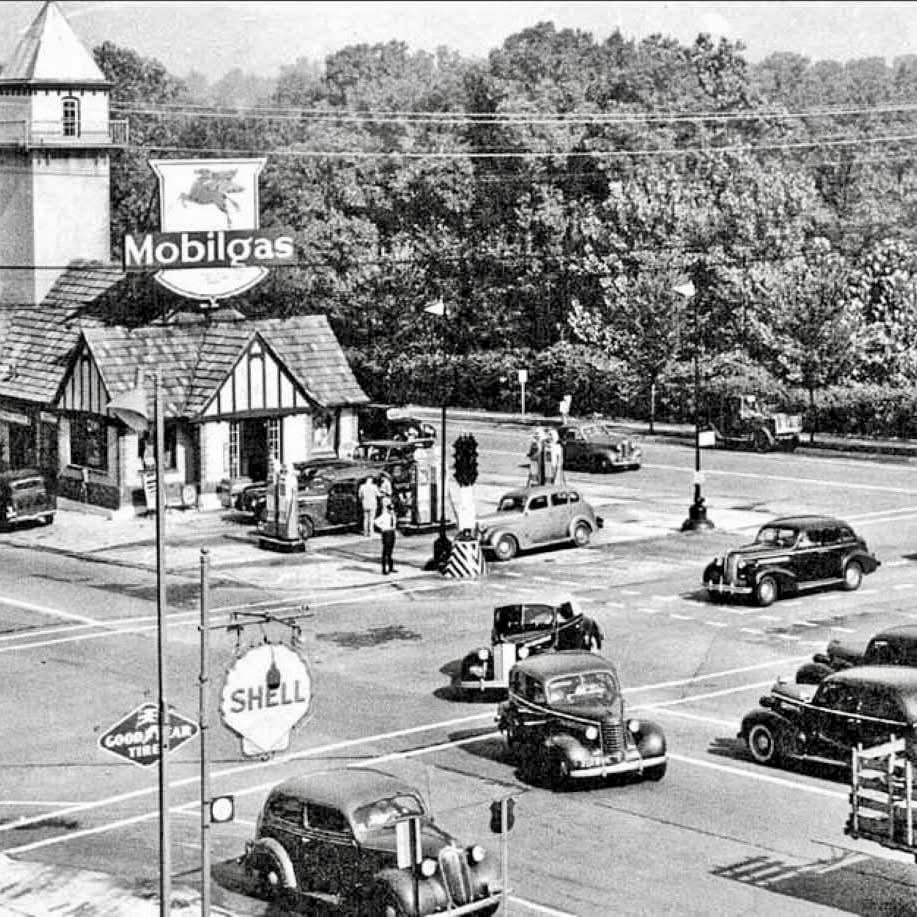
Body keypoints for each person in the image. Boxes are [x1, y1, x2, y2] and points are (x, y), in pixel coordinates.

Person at [374, 496, 398, 574]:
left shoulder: (393, 516)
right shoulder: (384, 515)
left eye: (393, 509)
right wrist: (382, 527)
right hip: (386, 532)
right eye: (390, 509)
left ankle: (391, 567)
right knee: (385, 551)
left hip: (392, 532)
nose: (392, 511)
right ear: (388, 509)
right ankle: (384, 569)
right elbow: (376, 522)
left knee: (390, 551)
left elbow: (394, 524)